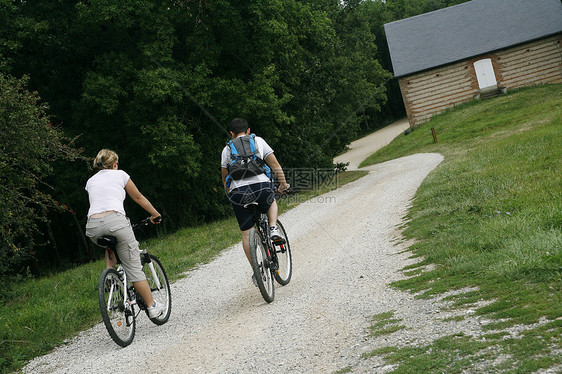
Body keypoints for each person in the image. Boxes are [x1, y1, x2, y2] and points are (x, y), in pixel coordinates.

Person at [85, 149, 164, 318]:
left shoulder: (91, 181)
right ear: (114, 164)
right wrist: (155, 214)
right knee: (134, 268)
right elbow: (138, 197)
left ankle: (110, 275)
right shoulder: (120, 174)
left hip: (92, 227)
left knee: (110, 245)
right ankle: (152, 306)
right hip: (115, 222)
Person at [221, 118, 290, 284]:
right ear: (248, 130)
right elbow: (275, 165)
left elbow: (225, 179)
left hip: (239, 192)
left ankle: (257, 272)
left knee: (246, 233)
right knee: (271, 201)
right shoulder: (258, 141)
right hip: (261, 186)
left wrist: (231, 195)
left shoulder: (226, 150)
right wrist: (283, 184)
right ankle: (273, 228)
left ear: (231, 134)